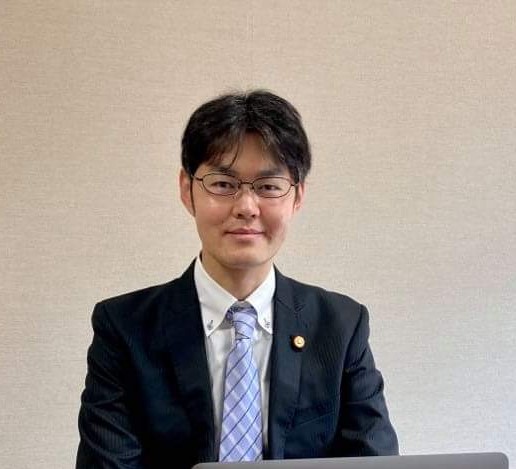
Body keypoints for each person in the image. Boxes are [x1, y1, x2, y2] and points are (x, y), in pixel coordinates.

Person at [76, 90, 399, 469]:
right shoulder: (125, 329)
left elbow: (374, 461)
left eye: (268, 186)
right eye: (223, 184)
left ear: (297, 196)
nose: (246, 207)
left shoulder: (340, 326)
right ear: (187, 190)